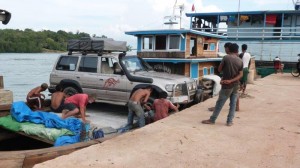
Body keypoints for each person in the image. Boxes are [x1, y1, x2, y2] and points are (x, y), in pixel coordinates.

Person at [202, 43, 243, 126]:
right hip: (235, 85)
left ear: (229, 49)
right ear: (237, 50)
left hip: (226, 85)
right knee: (233, 104)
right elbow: (240, 74)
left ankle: (212, 120)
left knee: (220, 103)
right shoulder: (240, 60)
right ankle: (229, 121)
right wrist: (232, 80)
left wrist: (228, 80)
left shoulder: (226, 57)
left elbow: (219, 69)